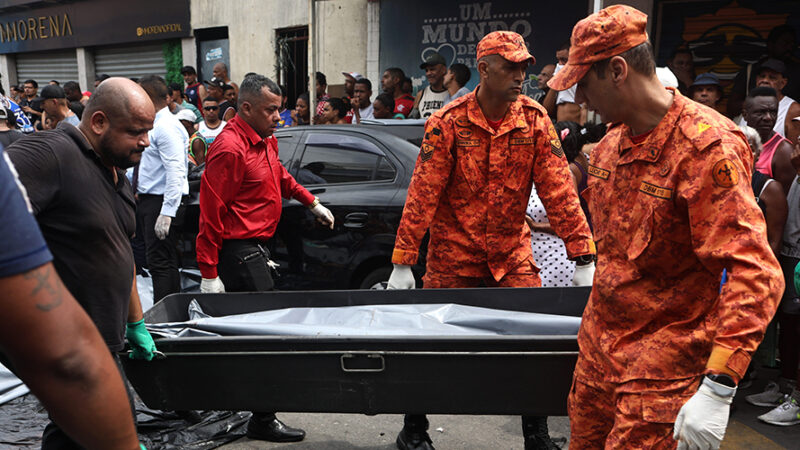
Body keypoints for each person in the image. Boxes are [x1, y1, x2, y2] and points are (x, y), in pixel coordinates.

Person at [548, 5, 783, 448]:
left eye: (583, 83)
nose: (578, 99)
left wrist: (719, 385)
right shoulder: (611, 145)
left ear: (617, 70)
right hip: (597, 364)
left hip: (659, 378)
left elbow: (755, 273)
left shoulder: (705, 147)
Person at [387, 30, 596, 450]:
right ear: (484, 68)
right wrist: (403, 262)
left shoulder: (535, 121)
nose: (522, 75)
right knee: (428, 346)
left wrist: (584, 256)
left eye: (524, 66)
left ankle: (535, 434)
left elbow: (559, 192)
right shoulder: (447, 123)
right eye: (511, 66)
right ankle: (413, 429)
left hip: (511, 253)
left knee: (531, 345)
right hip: (453, 255)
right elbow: (423, 195)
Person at [6, 77, 158, 448]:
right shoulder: (52, 153)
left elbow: (120, 252)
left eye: (148, 131)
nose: (146, 141)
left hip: (105, 339)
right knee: (102, 428)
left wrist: (136, 322)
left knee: (72, 435)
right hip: (72, 346)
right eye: (136, 131)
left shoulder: (116, 172)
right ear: (99, 122)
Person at [196, 74, 334, 442]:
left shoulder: (265, 140)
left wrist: (312, 201)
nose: (279, 116)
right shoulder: (229, 149)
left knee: (258, 335)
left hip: (258, 248)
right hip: (238, 252)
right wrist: (209, 272)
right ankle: (262, 416)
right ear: (246, 108)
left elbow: (281, 177)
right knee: (264, 336)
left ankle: (257, 409)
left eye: (280, 108)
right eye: (272, 110)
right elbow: (211, 213)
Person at [135, 75, 189, 303]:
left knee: (161, 261)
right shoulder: (154, 124)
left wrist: (167, 213)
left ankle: (166, 318)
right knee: (157, 259)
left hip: (162, 201)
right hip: (149, 200)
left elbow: (176, 171)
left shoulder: (166, 127)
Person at [727, 25, 800, 119]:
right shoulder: (751, 70)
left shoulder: (797, 71)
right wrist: (755, 104)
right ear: (771, 45)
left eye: (792, 44)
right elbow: (732, 107)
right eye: (785, 43)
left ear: (783, 83)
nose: (789, 48)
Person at [742, 86, 795, 195]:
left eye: (773, 112)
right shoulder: (735, 142)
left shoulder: (783, 152)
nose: (768, 118)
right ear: (745, 115)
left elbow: (783, 202)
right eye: (761, 112)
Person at [747, 59, 800, 144]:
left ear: (783, 83)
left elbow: (795, 151)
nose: (765, 80)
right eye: (762, 76)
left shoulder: (793, 110)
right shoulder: (749, 104)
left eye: (772, 78)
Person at [191, 96, 227, 165]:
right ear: (202, 110)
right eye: (207, 109)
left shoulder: (226, 126)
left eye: (214, 108)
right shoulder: (197, 127)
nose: (211, 111)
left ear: (219, 109)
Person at [413, 52, 449, 118]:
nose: (428, 73)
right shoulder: (421, 94)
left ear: (443, 70)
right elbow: (412, 119)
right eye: (426, 70)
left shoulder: (453, 93)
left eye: (432, 69)